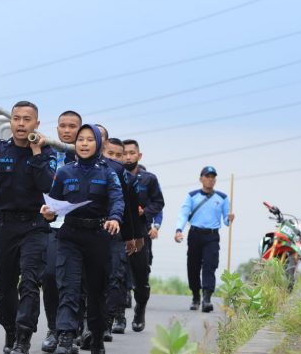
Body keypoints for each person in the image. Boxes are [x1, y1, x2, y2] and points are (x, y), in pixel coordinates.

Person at [0, 101, 57, 354]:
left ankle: (23, 338)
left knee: (30, 282)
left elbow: (47, 184)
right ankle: (10, 330)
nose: (21, 124)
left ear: (36, 124)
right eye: (16, 118)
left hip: (35, 226)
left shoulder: (47, 152)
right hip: (6, 226)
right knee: (5, 287)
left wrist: (37, 152)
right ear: (10, 121)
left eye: (27, 119)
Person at [41, 124, 123, 354]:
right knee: (68, 288)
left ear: (98, 144)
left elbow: (117, 200)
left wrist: (114, 218)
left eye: (90, 139)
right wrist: (48, 213)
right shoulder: (64, 172)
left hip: (98, 237)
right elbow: (53, 204)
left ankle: (97, 345)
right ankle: (64, 342)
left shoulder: (108, 173)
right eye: (80, 139)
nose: (84, 143)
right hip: (70, 236)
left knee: (97, 294)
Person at [41, 110, 82, 354]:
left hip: (79, 224)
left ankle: (72, 329)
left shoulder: (85, 156)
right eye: (63, 126)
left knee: (76, 281)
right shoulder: (47, 154)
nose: (67, 130)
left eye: (72, 126)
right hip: (52, 224)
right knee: (49, 276)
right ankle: (53, 329)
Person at [99, 133, 144, 338]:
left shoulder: (129, 179)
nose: (115, 159)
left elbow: (132, 211)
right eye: (111, 154)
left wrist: (135, 236)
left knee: (116, 276)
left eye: (120, 155)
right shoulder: (93, 172)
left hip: (118, 234)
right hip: (94, 232)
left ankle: (110, 320)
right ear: (102, 152)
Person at [173, 166, 235, 312]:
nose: (210, 179)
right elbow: (183, 214)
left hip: (212, 236)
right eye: (207, 176)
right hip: (195, 234)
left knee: (210, 265)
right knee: (193, 266)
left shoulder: (223, 197)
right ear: (201, 179)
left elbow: (226, 221)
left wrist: (230, 218)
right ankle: (195, 295)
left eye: (213, 177)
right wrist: (178, 230)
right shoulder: (192, 195)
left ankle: (206, 298)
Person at [123, 140, 165, 331]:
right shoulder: (114, 175)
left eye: (132, 153)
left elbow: (158, 203)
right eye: (124, 153)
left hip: (140, 232)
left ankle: (140, 309)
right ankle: (117, 316)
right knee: (117, 273)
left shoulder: (149, 179)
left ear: (139, 156)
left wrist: (144, 212)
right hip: (118, 231)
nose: (128, 157)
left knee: (140, 275)